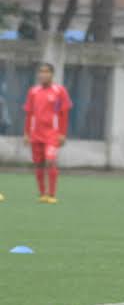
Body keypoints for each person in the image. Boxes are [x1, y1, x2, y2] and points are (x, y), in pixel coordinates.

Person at [23, 63, 72, 204]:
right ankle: (42, 194)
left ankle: (52, 194)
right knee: (38, 164)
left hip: (52, 133)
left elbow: (64, 114)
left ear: (52, 74)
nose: (43, 75)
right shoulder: (33, 92)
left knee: (50, 161)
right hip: (36, 133)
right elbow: (29, 113)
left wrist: (62, 133)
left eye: (46, 72)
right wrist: (26, 133)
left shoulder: (59, 91)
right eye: (41, 72)